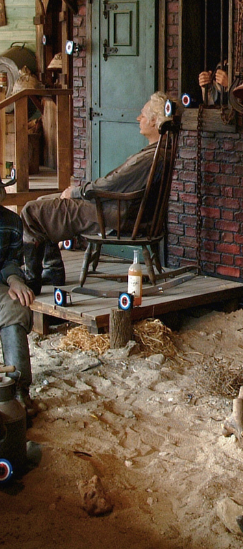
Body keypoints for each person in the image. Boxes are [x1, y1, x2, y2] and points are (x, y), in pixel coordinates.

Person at [21, 91, 169, 294]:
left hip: (113, 214)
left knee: (32, 210)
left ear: (154, 121)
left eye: (143, 115)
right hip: (119, 210)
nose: (138, 118)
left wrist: (77, 192)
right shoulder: (157, 152)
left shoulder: (149, 158)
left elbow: (110, 184)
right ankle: (53, 269)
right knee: (42, 201)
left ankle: (31, 280)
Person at [0, 184, 35, 412]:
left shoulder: (11, 222)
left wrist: (14, 279)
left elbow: (11, 260)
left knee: (16, 306)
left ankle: (16, 390)